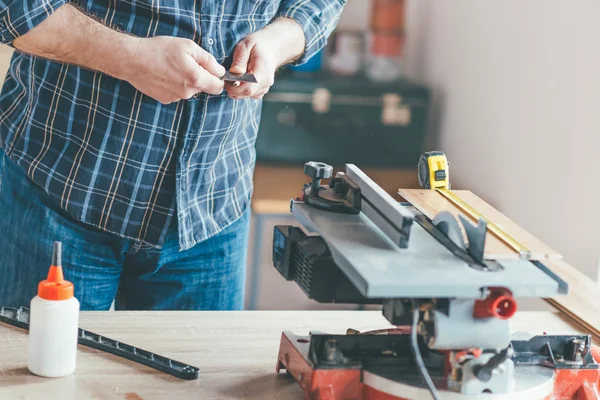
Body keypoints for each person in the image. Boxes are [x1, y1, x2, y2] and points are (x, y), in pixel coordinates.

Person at [0, 0, 345, 311]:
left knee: (202, 383)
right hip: (58, 195)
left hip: (212, 210)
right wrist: (129, 57)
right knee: (40, 376)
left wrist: (277, 42)